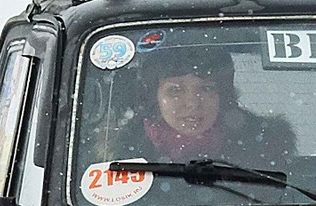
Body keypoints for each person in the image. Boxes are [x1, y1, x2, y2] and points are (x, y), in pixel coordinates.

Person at [96, 48, 295, 165]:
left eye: (207, 88)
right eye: (175, 90)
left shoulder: (264, 150)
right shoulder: (118, 160)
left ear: (223, 95)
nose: (192, 103)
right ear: (154, 97)